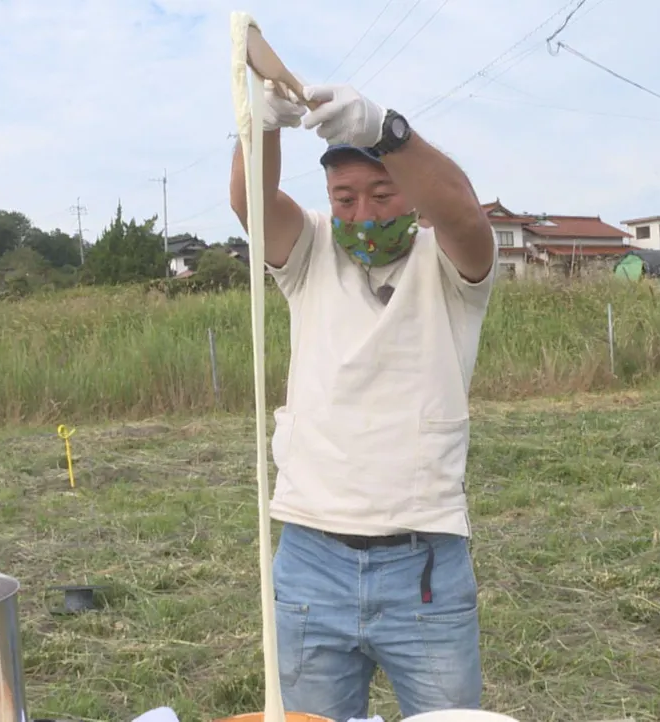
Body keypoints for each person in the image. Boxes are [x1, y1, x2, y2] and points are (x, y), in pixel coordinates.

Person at [229, 80, 497, 720]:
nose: (363, 214)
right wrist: (263, 124)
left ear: (412, 196)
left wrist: (385, 129)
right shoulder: (309, 250)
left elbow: (462, 211)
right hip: (310, 560)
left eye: (383, 194)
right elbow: (250, 203)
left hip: (423, 563)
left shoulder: (452, 263)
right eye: (344, 198)